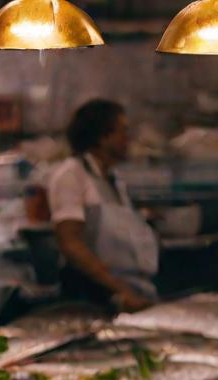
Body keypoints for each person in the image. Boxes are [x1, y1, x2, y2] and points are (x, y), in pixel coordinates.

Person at [48, 100, 158, 311]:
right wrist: (119, 290)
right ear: (102, 137)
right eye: (122, 132)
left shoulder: (113, 179)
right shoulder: (71, 175)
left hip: (126, 289)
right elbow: (70, 243)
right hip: (90, 295)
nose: (128, 139)